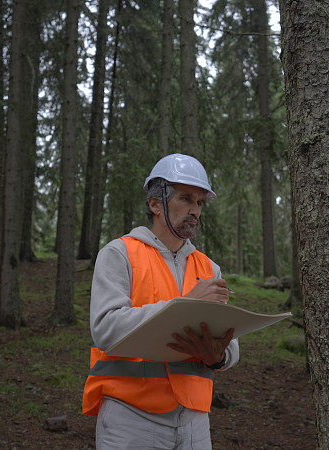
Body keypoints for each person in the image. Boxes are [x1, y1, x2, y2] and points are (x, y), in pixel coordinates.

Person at [82, 153, 240, 449]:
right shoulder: (119, 254)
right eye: (186, 198)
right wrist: (184, 305)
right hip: (131, 418)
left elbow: (230, 347)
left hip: (195, 420)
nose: (195, 210)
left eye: (200, 202)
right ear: (155, 204)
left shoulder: (209, 268)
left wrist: (218, 356)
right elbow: (105, 329)